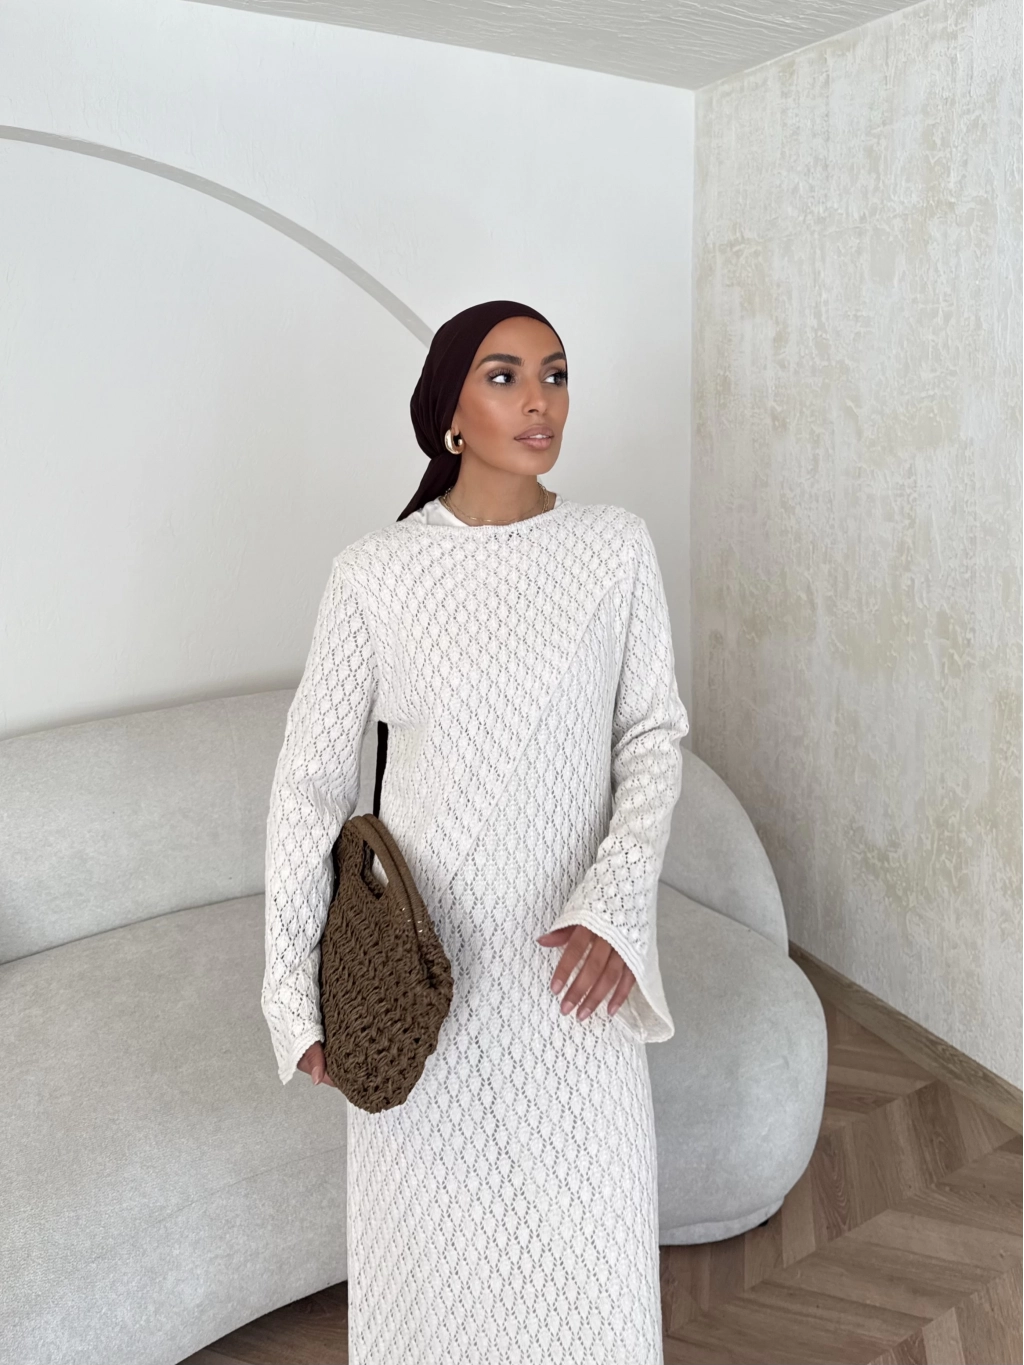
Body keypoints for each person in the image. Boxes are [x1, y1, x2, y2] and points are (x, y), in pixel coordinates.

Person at [261, 299, 690, 1364]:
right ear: (449, 412)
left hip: (569, 971)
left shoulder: (613, 547)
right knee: (433, 1271)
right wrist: (291, 990)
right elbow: (310, 785)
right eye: (504, 377)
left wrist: (615, 904)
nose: (539, 401)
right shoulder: (375, 571)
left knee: (592, 1262)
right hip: (421, 976)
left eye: (555, 374)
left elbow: (651, 736)